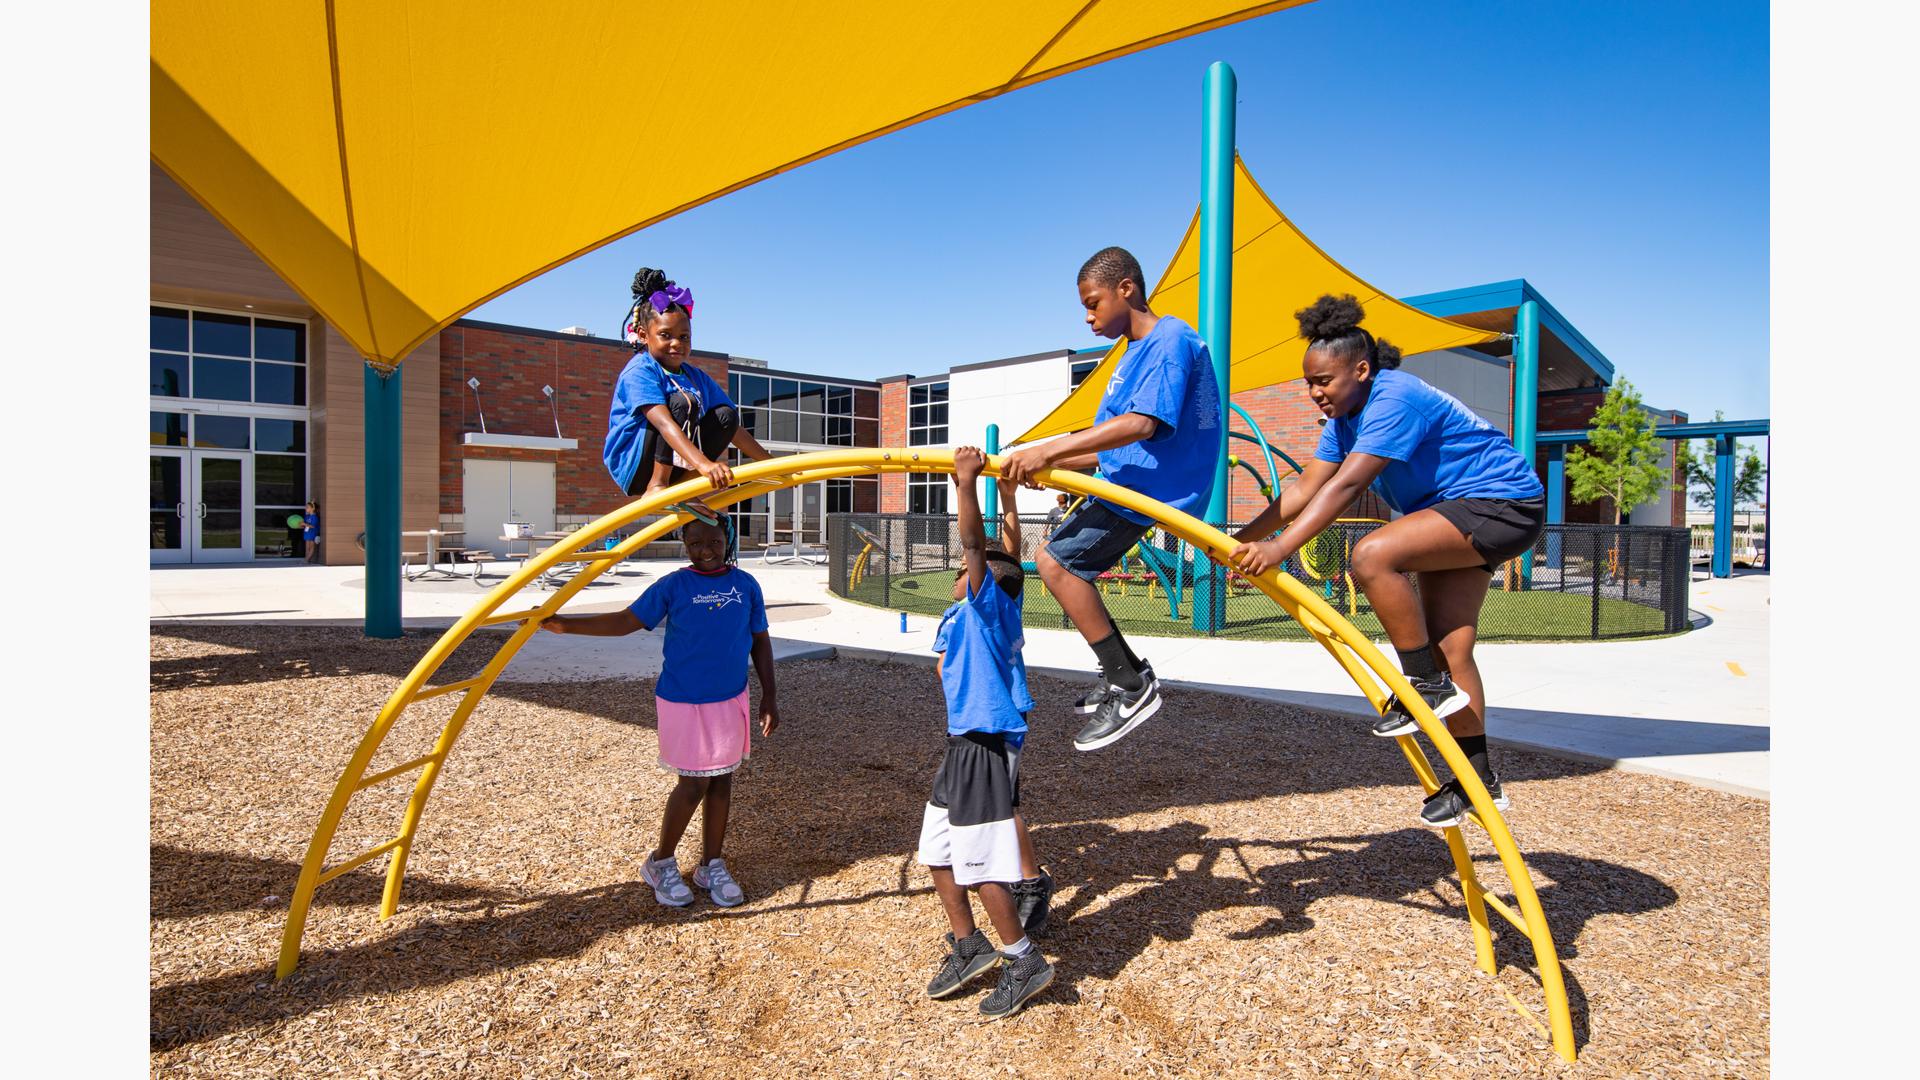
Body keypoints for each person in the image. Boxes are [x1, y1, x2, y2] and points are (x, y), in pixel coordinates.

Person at [1226, 294, 1545, 828]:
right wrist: (1239, 538)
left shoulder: (1396, 398)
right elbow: (1307, 485)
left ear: (1362, 368)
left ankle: (1420, 681)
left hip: (1501, 503)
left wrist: (1279, 549)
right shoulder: (1347, 418)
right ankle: (1477, 778)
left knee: (1372, 555)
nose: (1314, 394)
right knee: (1452, 646)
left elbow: (1348, 485)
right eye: (1309, 383)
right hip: (1457, 510)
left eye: (1323, 381)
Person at [1001, 246, 1220, 752]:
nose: (1088, 315)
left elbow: (1143, 425)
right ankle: (1119, 670)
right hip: (1130, 482)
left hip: (1151, 490)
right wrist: (1051, 465)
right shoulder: (1133, 354)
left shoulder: (1170, 340)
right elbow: (1113, 441)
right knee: (1060, 564)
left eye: (1093, 301)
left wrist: (1049, 448)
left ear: (1127, 288)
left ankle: (1129, 683)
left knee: (1057, 565)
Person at [539, 518, 779, 905]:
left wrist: (770, 695)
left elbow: (760, 640)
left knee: (722, 781)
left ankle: (710, 864)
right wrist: (565, 625)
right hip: (684, 700)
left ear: (727, 540)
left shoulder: (745, 584)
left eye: (715, 541)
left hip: (730, 697)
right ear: (683, 542)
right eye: (696, 541)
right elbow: (625, 622)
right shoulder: (674, 585)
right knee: (693, 783)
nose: (707, 549)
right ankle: (661, 862)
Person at [918, 446, 1055, 1020]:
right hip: (961, 741)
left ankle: (1024, 959)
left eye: (967, 571)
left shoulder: (987, 607)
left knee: (979, 861)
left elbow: (983, 549)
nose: (961, 572)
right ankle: (968, 943)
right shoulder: (981, 606)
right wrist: (1008, 496)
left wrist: (965, 483)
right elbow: (1007, 548)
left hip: (985, 739)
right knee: (936, 849)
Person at [604, 268, 775, 524]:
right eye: (665, 335)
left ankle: (683, 489)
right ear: (643, 335)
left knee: (725, 415)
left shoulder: (695, 376)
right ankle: (657, 486)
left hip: (672, 461)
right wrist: (705, 465)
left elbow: (733, 429)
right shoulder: (640, 370)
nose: (676, 343)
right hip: (634, 461)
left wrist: (769, 465)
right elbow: (663, 422)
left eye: (684, 337)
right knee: (681, 402)